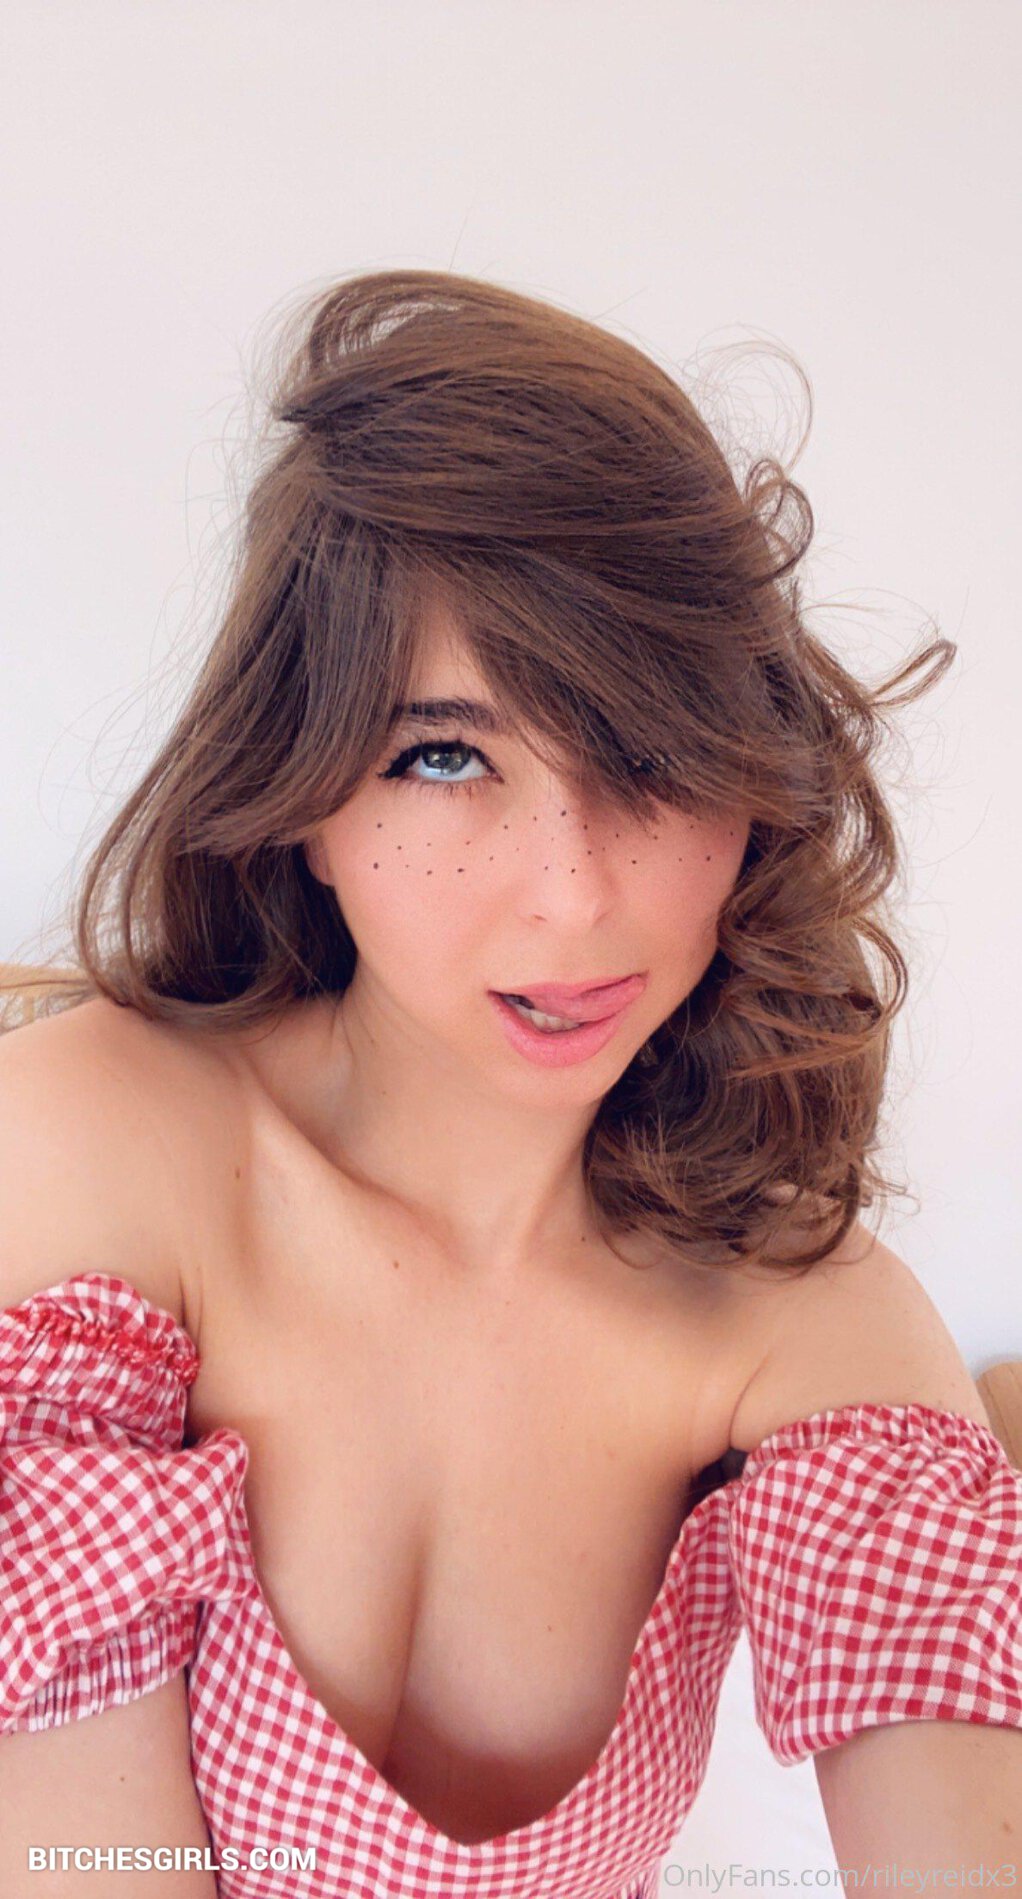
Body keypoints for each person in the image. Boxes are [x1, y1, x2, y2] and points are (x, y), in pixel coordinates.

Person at [1, 270, 1019, 1898]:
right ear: (302, 795)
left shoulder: (799, 1323)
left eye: (646, 753)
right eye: (443, 756)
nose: (571, 896)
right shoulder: (88, 1150)